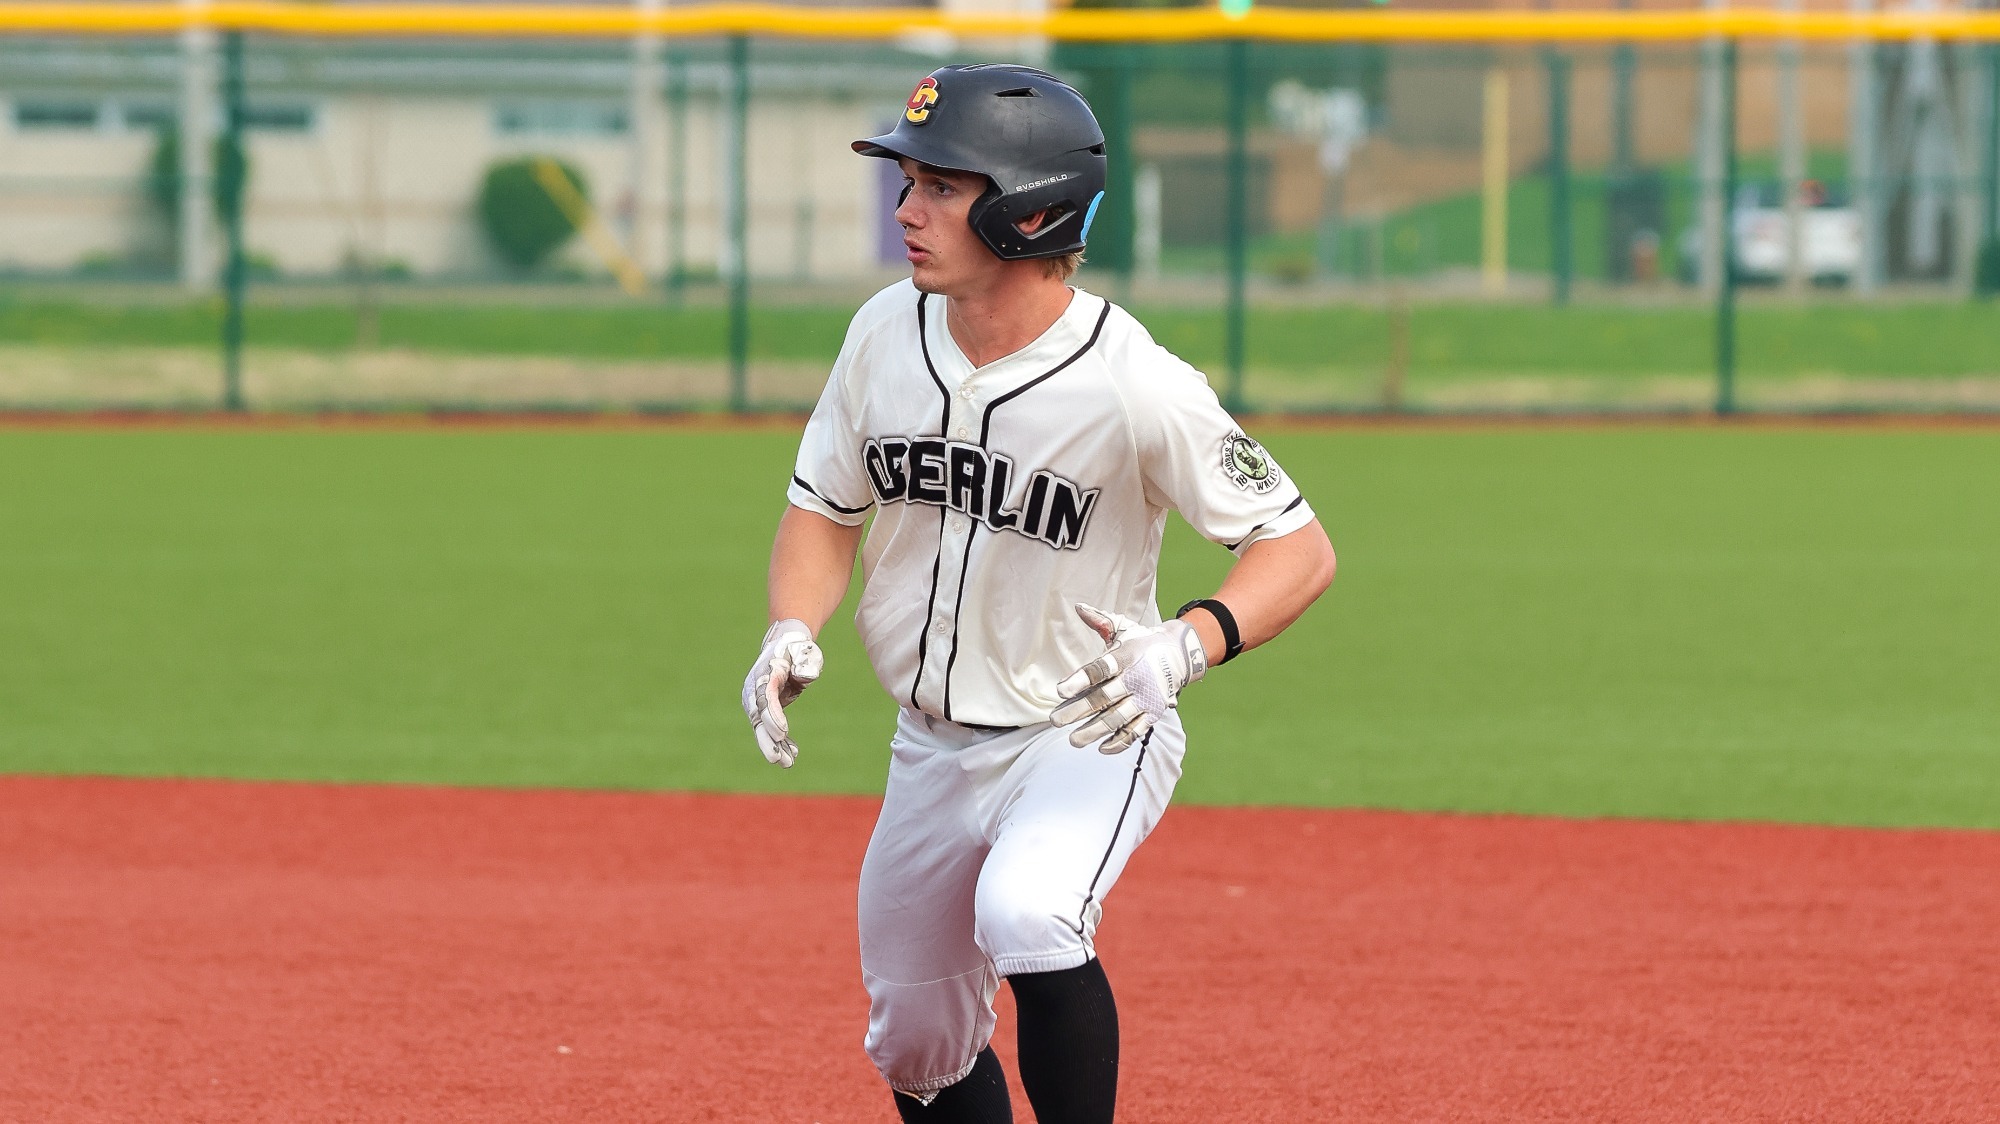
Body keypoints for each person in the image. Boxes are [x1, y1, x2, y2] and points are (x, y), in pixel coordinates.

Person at [742, 63, 1336, 1123]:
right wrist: (791, 625)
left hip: (1087, 726)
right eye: (908, 181)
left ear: (1027, 208)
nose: (905, 210)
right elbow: (825, 509)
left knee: (1030, 911)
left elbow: (1296, 547)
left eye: (938, 186)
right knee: (917, 1045)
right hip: (929, 745)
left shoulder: (1130, 377)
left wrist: (1187, 644)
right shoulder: (883, 332)